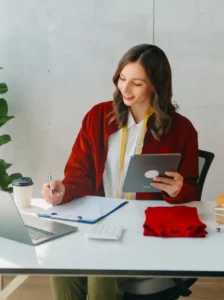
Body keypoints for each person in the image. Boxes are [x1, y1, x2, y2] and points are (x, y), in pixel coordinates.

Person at [42, 44, 199, 300]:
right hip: (100, 226)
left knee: (100, 271)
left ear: (156, 86)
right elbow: (79, 173)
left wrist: (179, 190)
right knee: (61, 267)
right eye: (122, 79)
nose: (124, 89)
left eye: (136, 83)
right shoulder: (97, 116)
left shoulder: (181, 130)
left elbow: (192, 192)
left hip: (146, 232)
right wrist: (63, 190)